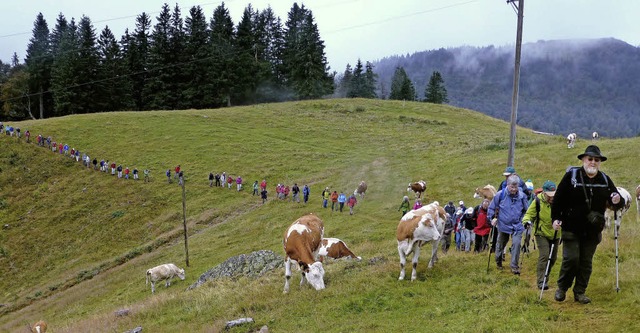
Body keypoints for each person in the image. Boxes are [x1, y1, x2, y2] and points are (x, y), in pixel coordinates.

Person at [552, 145, 623, 304]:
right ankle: (562, 288)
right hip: (571, 227)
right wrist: (555, 218)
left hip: (593, 230)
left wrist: (617, 200)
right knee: (571, 259)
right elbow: (558, 199)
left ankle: (580, 292)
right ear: (583, 160)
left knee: (585, 262)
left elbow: (616, 200)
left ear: (599, 162)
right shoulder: (572, 176)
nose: (593, 162)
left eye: (596, 160)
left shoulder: (605, 179)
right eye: (590, 159)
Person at [488, 174, 530, 275]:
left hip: (517, 225)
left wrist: (525, 220)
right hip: (503, 225)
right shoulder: (500, 195)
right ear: (507, 185)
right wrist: (492, 218)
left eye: (516, 187)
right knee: (501, 244)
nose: (514, 189)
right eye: (512, 187)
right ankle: (498, 261)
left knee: (516, 244)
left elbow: (526, 210)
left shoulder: (522, 196)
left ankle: (514, 266)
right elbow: (491, 208)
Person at [523, 180, 558, 290]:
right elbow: (528, 214)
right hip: (541, 233)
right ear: (544, 193)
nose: (552, 198)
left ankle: (546, 278)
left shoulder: (559, 201)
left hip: (556, 234)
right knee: (544, 256)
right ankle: (541, 281)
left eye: (553, 195)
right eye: (549, 195)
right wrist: (527, 221)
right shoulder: (538, 201)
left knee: (553, 258)